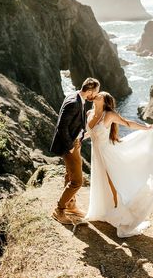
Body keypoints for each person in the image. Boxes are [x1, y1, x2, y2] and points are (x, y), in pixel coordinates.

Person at [86, 91, 153, 238]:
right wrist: (78, 140)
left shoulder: (109, 115)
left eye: (100, 95)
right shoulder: (90, 113)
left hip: (108, 153)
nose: (96, 95)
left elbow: (127, 123)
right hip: (96, 154)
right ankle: (105, 210)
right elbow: (90, 132)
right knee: (101, 182)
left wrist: (145, 129)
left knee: (113, 182)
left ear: (105, 101)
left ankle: (119, 212)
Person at [50, 77, 100, 225]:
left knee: (69, 175)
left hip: (74, 143)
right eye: (95, 92)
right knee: (77, 181)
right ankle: (58, 210)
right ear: (89, 90)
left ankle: (70, 206)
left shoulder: (77, 97)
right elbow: (62, 127)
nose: (96, 95)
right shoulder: (73, 102)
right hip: (69, 146)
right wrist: (71, 146)